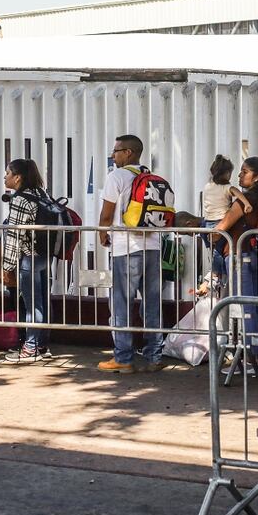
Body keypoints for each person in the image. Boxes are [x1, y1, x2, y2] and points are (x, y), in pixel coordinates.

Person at [97, 134, 166, 373]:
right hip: (153, 247)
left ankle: (123, 358)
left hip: (126, 248)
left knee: (122, 304)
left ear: (128, 153)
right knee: (152, 304)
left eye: (116, 151)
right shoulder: (151, 177)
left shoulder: (116, 176)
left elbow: (107, 214)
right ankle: (154, 356)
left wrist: (102, 233)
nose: (113, 155)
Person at [211, 157, 258, 371]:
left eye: (244, 171)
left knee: (246, 307)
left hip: (239, 254)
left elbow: (223, 226)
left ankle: (254, 358)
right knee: (256, 303)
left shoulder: (245, 200)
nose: (239, 175)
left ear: (257, 177)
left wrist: (207, 234)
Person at [0, 159, 55, 363]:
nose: (5, 177)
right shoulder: (41, 194)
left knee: (33, 305)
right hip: (43, 255)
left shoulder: (20, 199)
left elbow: (15, 236)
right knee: (42, 302)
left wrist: (7, 267)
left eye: (7, 173)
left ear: (18, 177)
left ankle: (30, 348)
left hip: (28, 257)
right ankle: (41, 345)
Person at [196, 155, 251, 296]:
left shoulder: (207, 186)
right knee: (218, 252)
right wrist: (246, 204)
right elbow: (238, 194)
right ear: (227, 173)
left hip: (206, 223)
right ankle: (215, 276)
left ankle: (213, 275)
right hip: (220, 223)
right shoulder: (227, 187)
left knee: (214, 251)